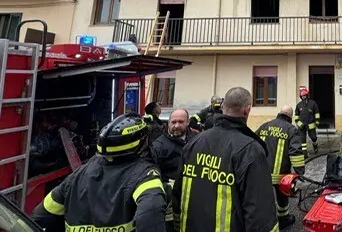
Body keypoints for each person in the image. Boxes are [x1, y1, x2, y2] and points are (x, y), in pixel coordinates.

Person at [31, 113, 167, 232]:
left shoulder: (77, 175)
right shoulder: (145, 175)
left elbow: (40, 216)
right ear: (142, 143)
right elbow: (151, 215)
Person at [172, 87, 278, 232]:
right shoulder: (251, 150)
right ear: (247, 110)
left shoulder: (194, 143)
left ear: (222, 107)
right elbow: (260, 214)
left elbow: (177, 193)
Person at [256, 105, 305, 230]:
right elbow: (295, 153)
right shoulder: (291, 130)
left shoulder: (264, 126)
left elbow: (253, 144)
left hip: (262, 173)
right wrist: (300, 172)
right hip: (280, 176)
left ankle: (264, 220)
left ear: (280, 113)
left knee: (263, 197)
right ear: (291, 116)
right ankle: (283, 219)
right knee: (282, 198)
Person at [149, 108, 195, 232]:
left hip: (193, 201)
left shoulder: (198, 140)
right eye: (173, 122)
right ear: (168, 123)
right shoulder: (158, 146)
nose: (176, 126)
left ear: (188, 122)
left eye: (181, 122)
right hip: (170, 205)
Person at [294, 86, 320, 156]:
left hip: (311, 125)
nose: (303, 97)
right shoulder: (299, 105)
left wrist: (317, 121)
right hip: (302, 126)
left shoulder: (313, 103)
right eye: (302, 96)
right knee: (302, 141)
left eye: (304, 95)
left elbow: (317, 113)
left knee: (313, 137)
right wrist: (300, 124)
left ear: (307, 95)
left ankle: (315, 144)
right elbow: (296, 116)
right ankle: (304, 154)